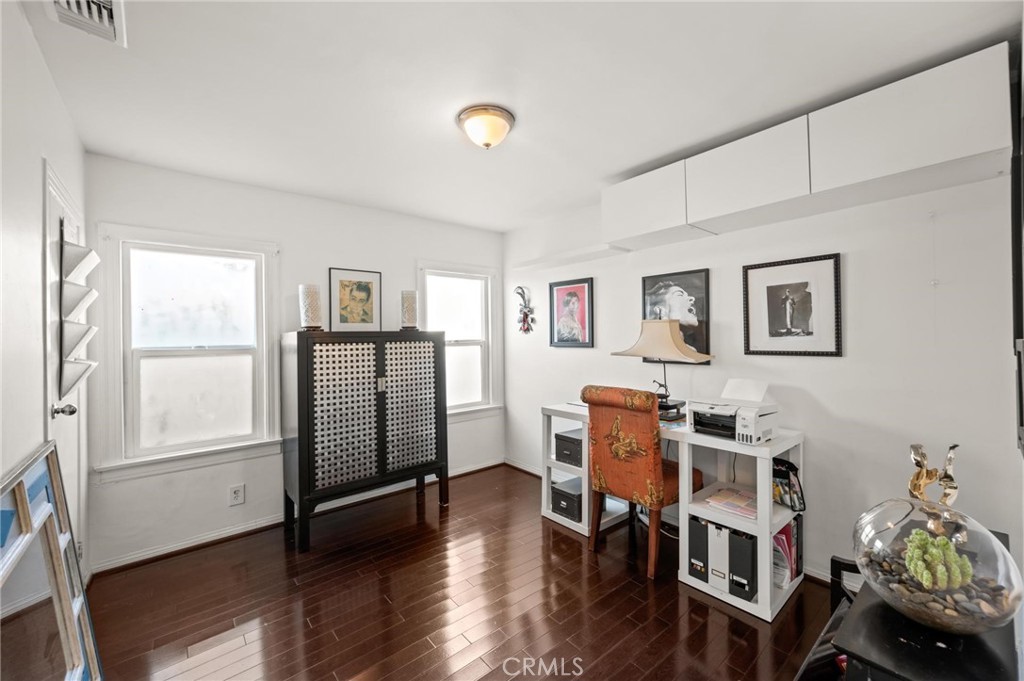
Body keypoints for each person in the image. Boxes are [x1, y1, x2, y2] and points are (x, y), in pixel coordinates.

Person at [645, 280, 704, 352]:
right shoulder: (654, 350)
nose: (692, 298)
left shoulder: (691, 349)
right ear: (660, 310)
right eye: (679, 295)